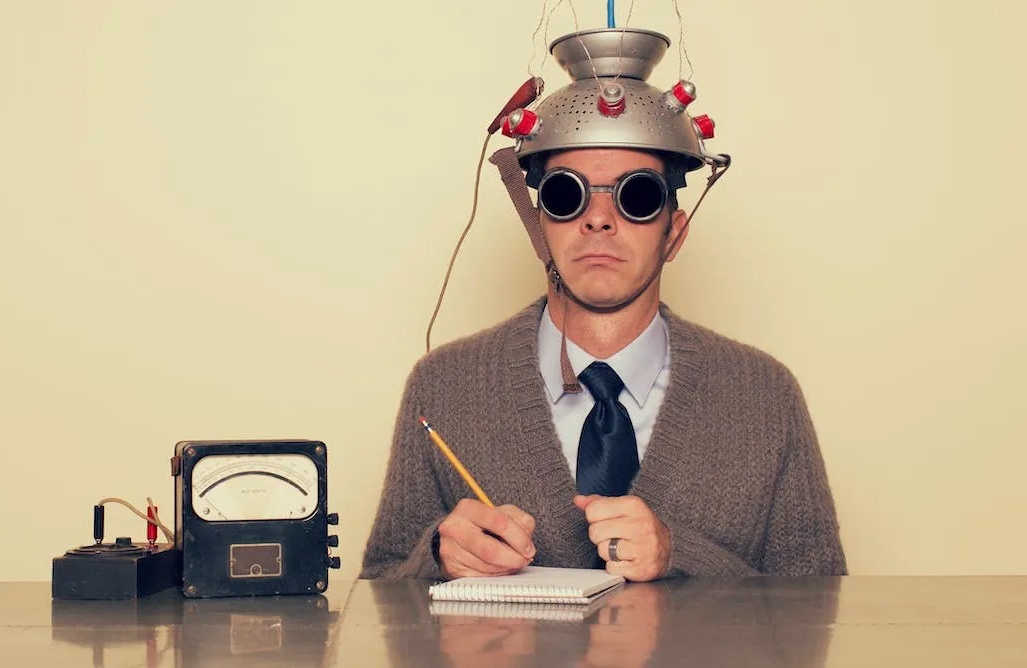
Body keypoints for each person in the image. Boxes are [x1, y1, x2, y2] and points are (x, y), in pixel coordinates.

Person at [359, 26, 846, 582]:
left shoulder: (763, 395)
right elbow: (380, 602)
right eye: (568, 195)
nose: (598, 219)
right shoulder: (443, 385)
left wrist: (680, 557)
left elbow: (820, 619)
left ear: (675, 233)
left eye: (636, 196)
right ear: (538, 223)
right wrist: (438, 560)